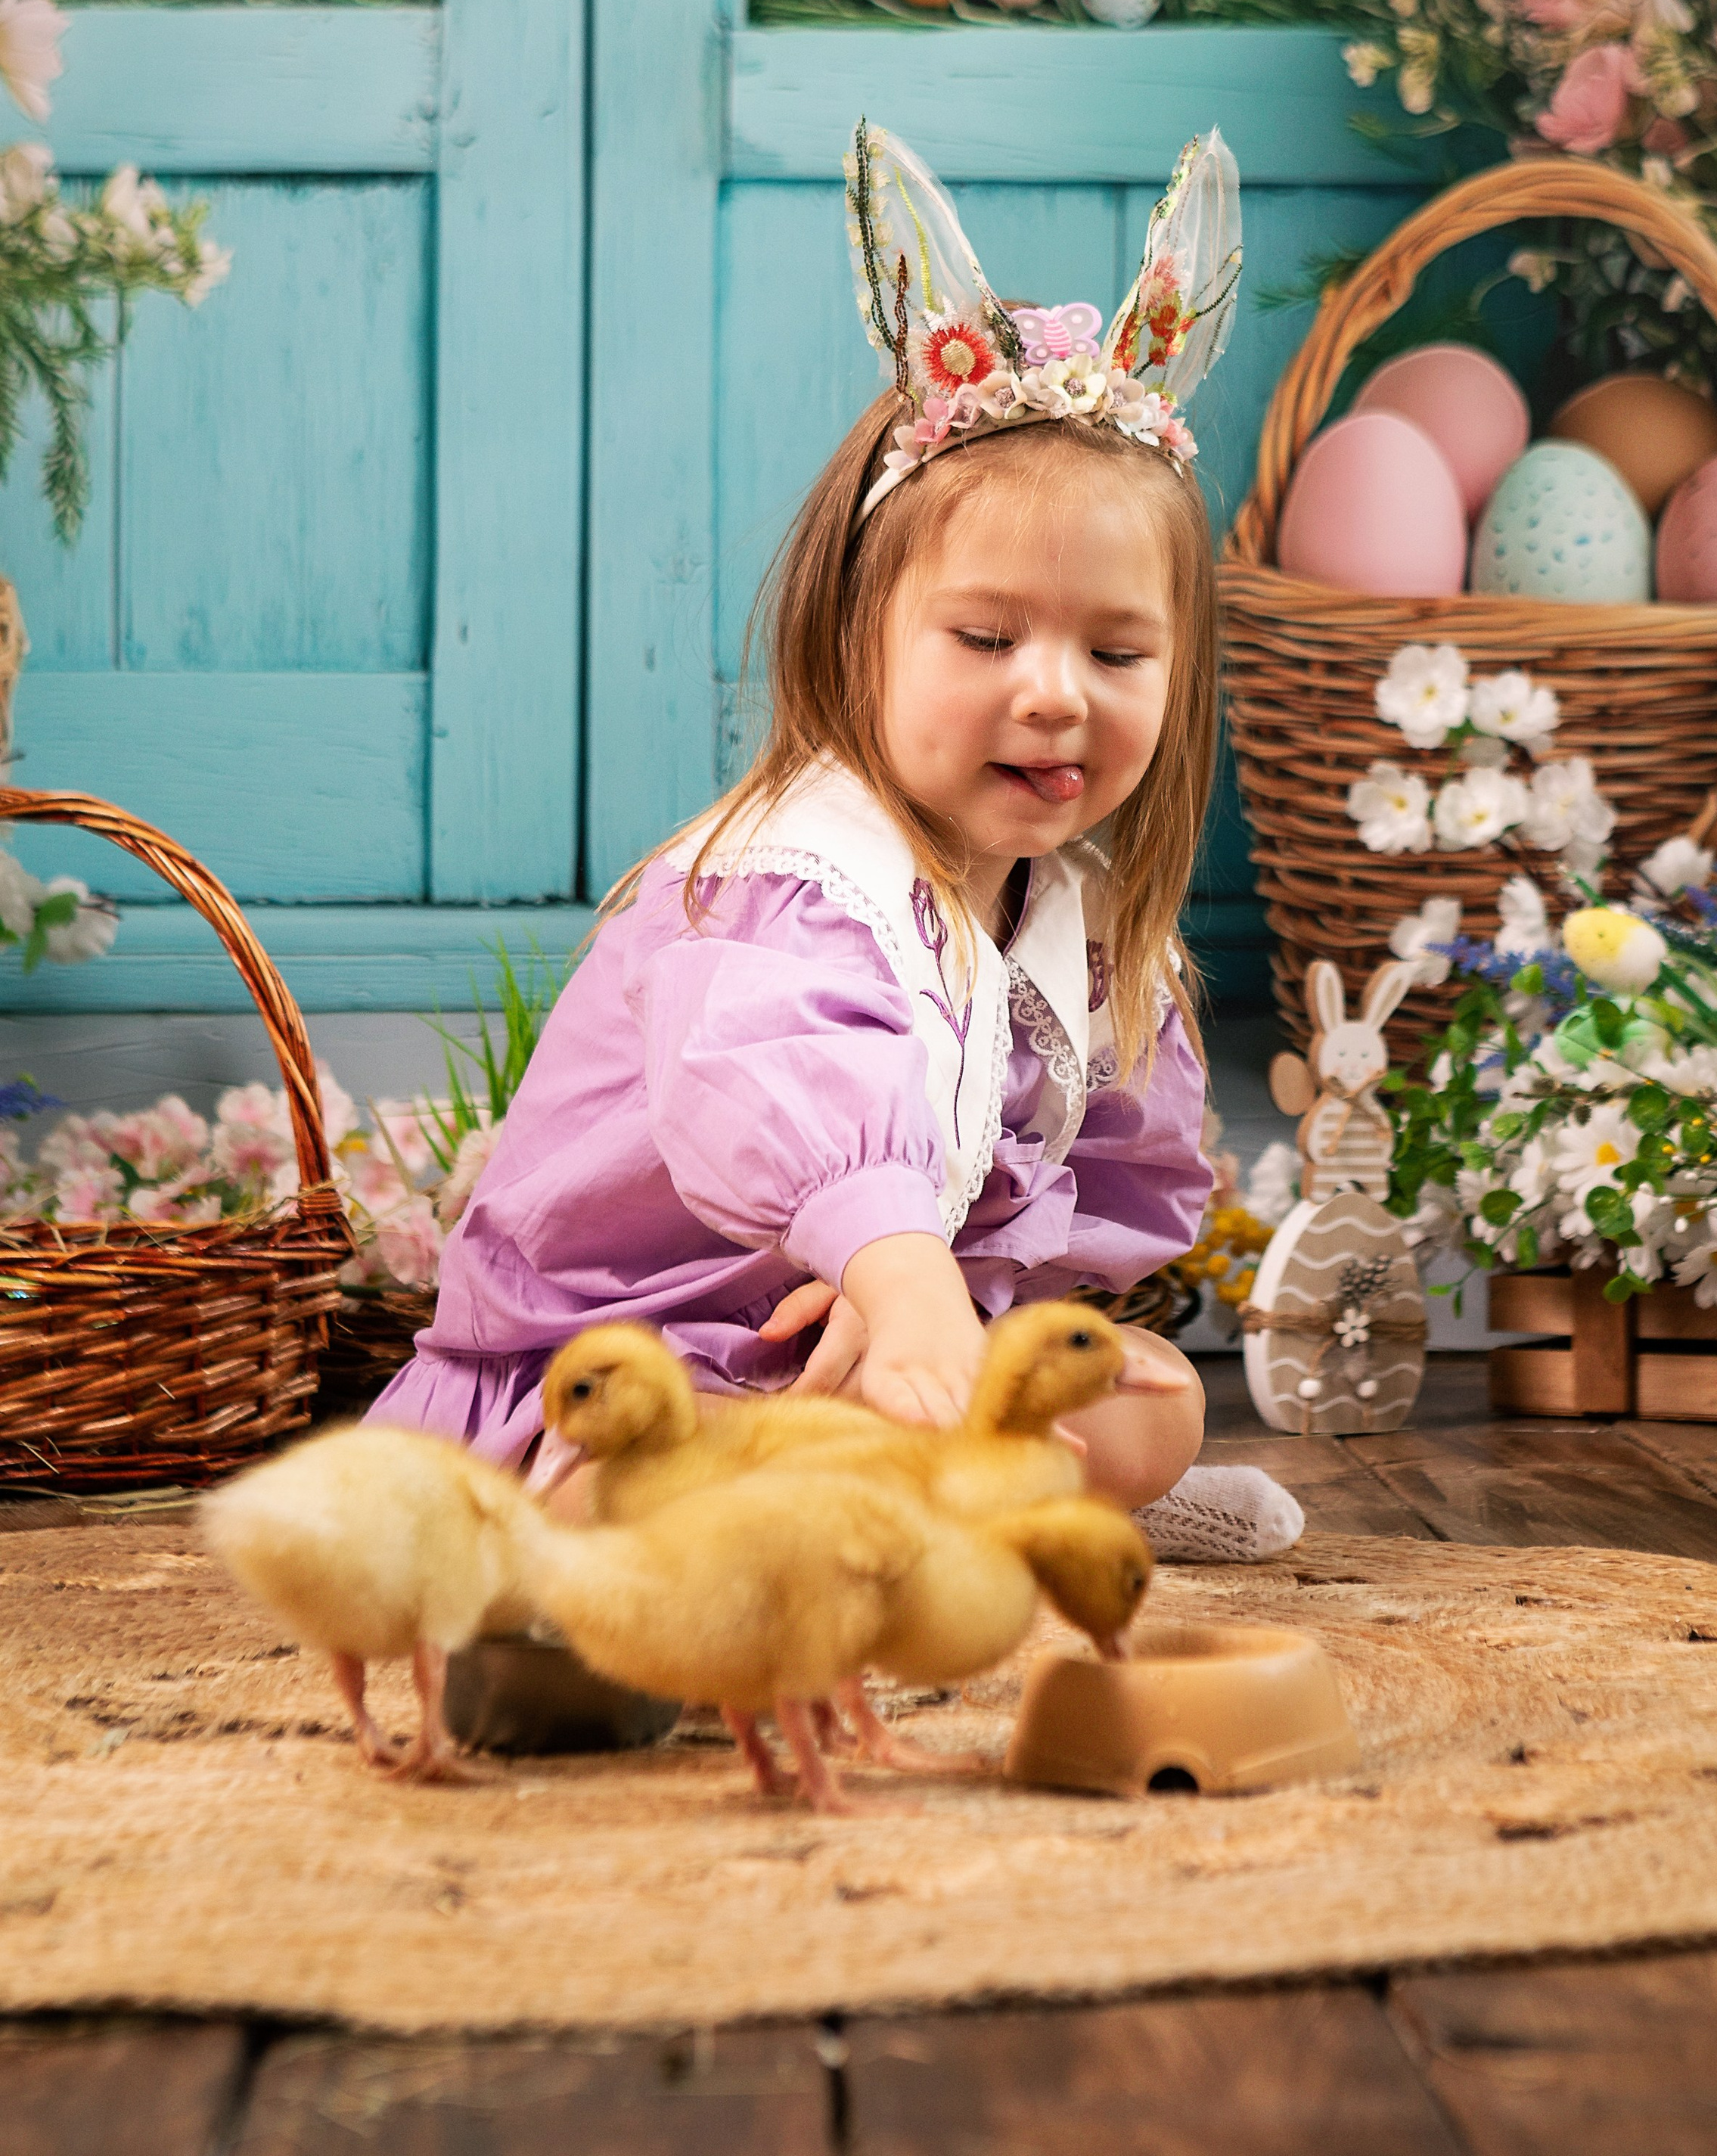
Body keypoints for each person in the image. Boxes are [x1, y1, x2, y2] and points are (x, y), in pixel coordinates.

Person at [371, 122, 1300, 1563]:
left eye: (1117, 654)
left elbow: (1059, 1198)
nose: (1052, 693)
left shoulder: (1066, 917)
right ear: (860, 629)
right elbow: (791, 1096)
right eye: (987, 636)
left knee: (1158, 1396)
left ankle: (930, 1492)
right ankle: (855, 1507)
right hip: (640, 1351)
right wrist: (908, 1287)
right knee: (646, 1465)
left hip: (849, 1332)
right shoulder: (794, 881)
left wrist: (952, 1309)